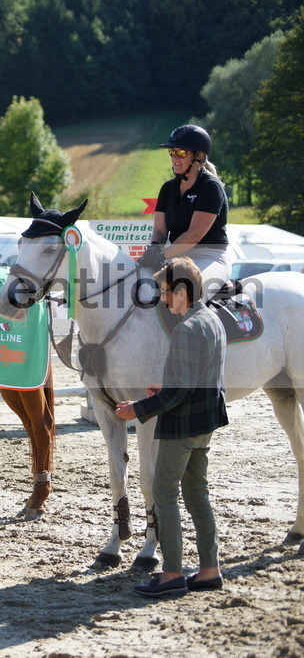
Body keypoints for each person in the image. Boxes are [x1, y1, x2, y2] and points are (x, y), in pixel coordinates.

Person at [115, 257, 227, 597]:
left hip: (182, 426)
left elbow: (181, 393)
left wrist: (139, 409)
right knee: (197, 495)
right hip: (206, 422)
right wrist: (163, 390)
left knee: (165, 494)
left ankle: (172, 573)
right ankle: (210, 569)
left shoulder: (185, 329)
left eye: (166, 292)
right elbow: (196, 379)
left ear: (182, 291)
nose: (164, 300)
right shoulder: (213, 320)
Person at [139, 124, 231, 300]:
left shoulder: (211, 187)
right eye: (172, 152)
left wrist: (161, 255)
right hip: (177, 256)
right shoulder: (167, 188)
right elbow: (159, 231)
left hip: (210, 256)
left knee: (189, 293)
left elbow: (194, 235)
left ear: (199, 156)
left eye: (181, 153)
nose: (174, 158)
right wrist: (153, 249)